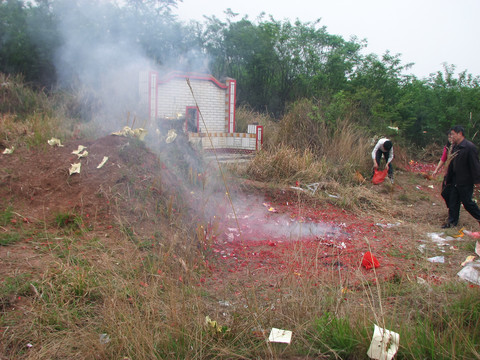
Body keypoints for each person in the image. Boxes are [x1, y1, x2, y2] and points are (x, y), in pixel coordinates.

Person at [442, 125, 480, 228]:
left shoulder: (469, 147)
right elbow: (451, 164)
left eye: (453, 134)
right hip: (455, 179)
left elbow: (475, 165)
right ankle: (452, 222)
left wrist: (477, 181)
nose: (452, 137)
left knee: (467, 202)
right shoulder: (455, 147)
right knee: (453, 201)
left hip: (465, 180)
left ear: (460, 134)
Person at [432, 134, 453, 208]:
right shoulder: (447, 148)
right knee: (444, 192)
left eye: (451, 137)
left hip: (458, 174)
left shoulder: (460, 148)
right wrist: (436, 170)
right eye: (449, 137)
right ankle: (451, 208)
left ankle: (453, 211)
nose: (450, 139)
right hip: (448, 173)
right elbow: (443, 159)